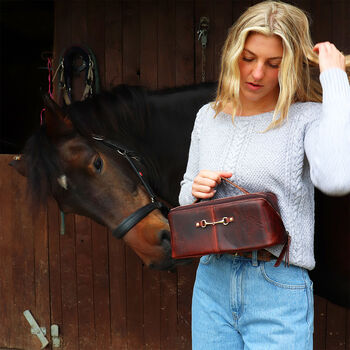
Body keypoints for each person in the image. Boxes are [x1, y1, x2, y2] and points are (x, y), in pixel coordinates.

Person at [178, 1, 350, 349]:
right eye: (248, 58)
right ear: (232, 54)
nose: (257, 73)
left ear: (289, 66)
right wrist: (196, 189)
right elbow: (185, 193)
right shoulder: (207, 117)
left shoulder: (306, 117)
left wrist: (335, 80)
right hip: (212, 280)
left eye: (274, 64)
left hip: (277, 284)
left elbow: (336, 177)